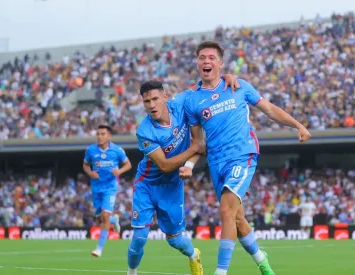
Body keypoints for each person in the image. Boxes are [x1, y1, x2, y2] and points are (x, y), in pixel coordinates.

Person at [183, 40, 312, 275]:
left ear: (220, 63)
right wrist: (190, 163)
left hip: (242, 155)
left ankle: (220, 272)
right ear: (197, 62)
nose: (206, 61)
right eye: (202, 57)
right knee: (238, 219)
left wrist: (297, 125)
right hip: (216, 162)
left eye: (212, 57)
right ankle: (263, 262)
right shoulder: (192, 100)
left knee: (225, 211)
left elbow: (270, 110)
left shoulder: (239, 86)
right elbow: (198, 142)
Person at [127, 76, 239, 275]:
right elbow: (164, 165)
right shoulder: (144, 132)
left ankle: (193, 255)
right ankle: (131, 272)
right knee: (139, 237)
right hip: (147, 185)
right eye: (147, 101)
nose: (151, 105)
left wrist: (225, 77)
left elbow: (204, 85)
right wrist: (194, 148)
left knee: (175, 240)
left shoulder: (180, 104)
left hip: (171, 187)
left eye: (155, 99)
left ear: (166, 97)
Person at [83, 125, 132, 257]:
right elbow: (85, 165)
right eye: (98, 134)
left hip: (110, 188)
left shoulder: (117, 150)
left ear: (109, 136)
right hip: (96, 187)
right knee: (100, 219)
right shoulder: (91, 150)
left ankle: (99, 248)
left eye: (103, 134)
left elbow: (128, 164)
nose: (100, 136)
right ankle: (113, 220)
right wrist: (90, 173)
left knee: (104, 216)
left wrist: (119, 171)